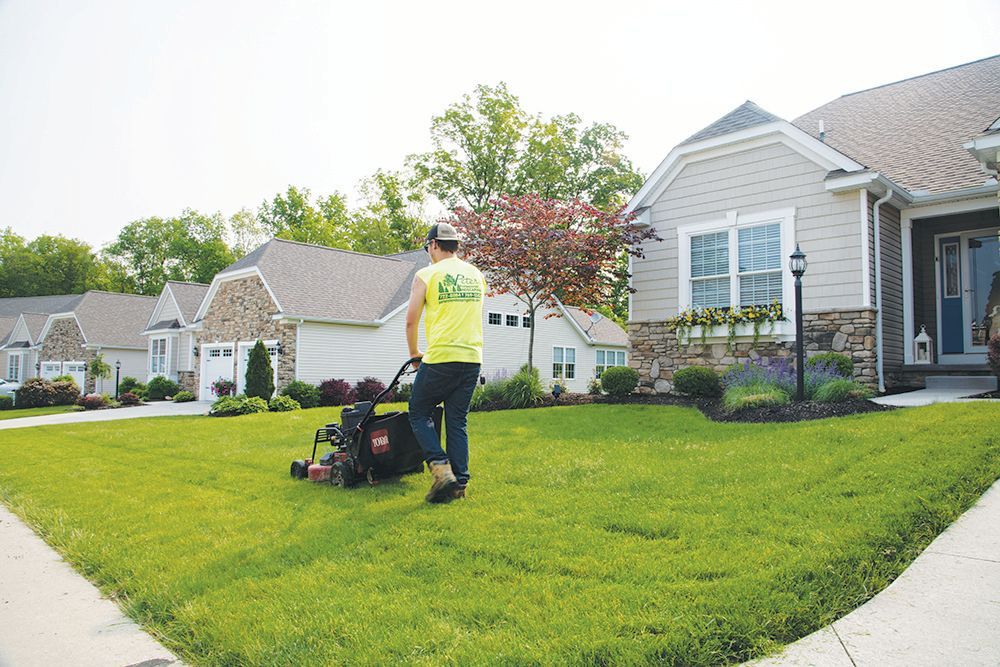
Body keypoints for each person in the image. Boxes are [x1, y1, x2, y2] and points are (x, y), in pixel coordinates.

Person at [405, 222, 486, 503]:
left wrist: (415, 354)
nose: (428, 251)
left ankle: (440, 468)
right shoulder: (476, 275)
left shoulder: (427, 275)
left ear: (435, 245)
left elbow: (411, 320)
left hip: (440, 357)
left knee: (418, 411)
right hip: (472, 358)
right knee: (457, 420)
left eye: (428, 246)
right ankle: (459, 485)